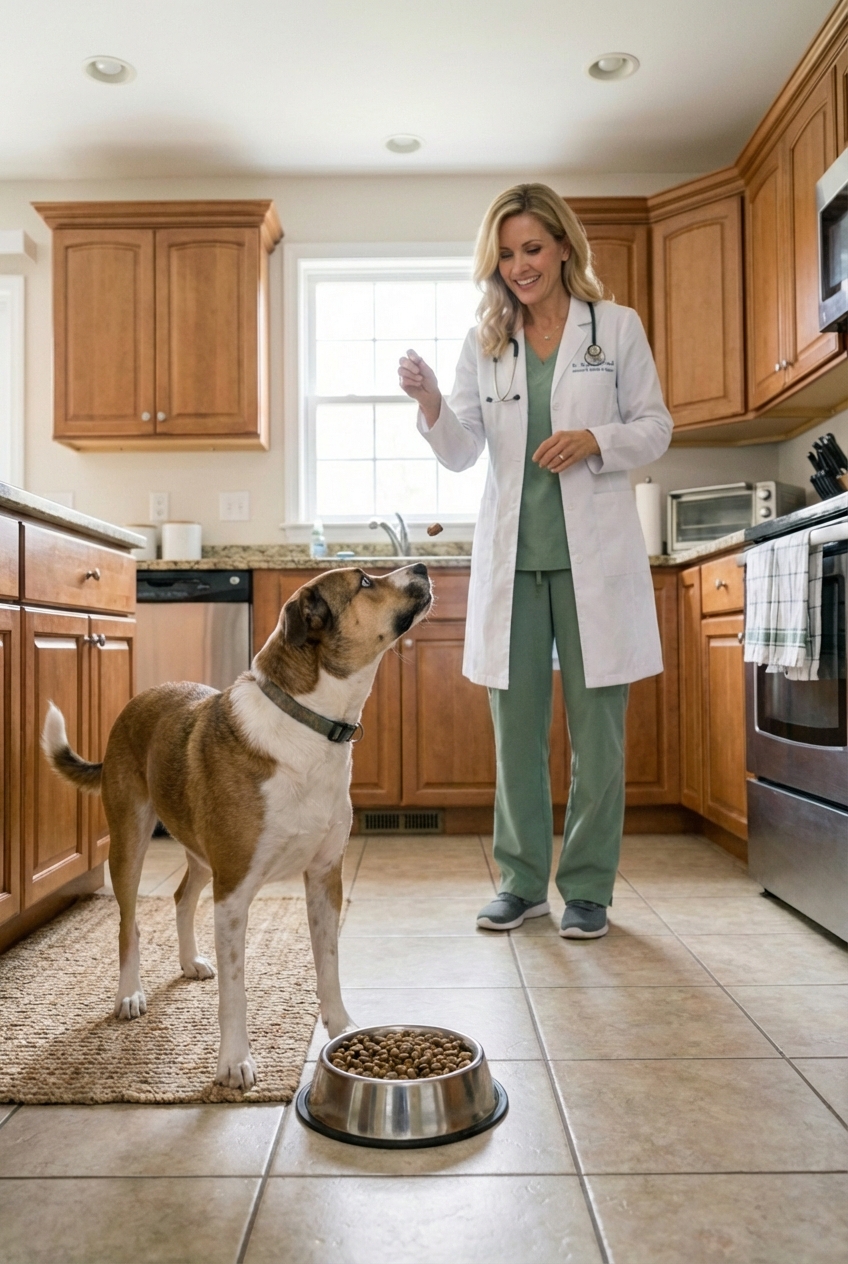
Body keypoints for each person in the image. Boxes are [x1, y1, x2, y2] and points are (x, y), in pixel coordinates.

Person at [398, 182, 672, 939]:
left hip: (597, 563)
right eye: (508, 253)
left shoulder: (613, 328)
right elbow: (460, 454)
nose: (521, 265)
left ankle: (587, 887)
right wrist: (429, 404)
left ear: (561, 248)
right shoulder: (485, 342)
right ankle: (520, 882)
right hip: (515, 565)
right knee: (515, 731)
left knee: (598, 734)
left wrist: (595, 440)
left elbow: (655, 428)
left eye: (532, 248)